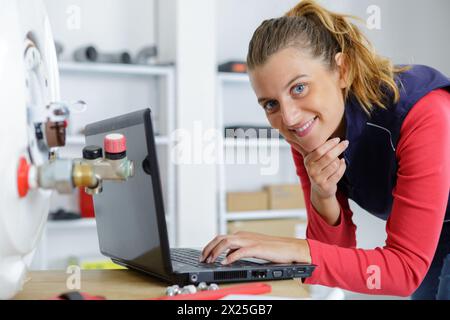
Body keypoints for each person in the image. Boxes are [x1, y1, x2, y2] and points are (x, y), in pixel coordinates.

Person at [200, 0, 450, 299]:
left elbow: (403, 271)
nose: (289, 117)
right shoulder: (304, 132)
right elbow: (333, 259)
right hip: (431, 236)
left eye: (299, 88)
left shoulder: (423, 112)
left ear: (341, 70)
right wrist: (323, 194)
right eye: (271, 104)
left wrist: (290, 248)